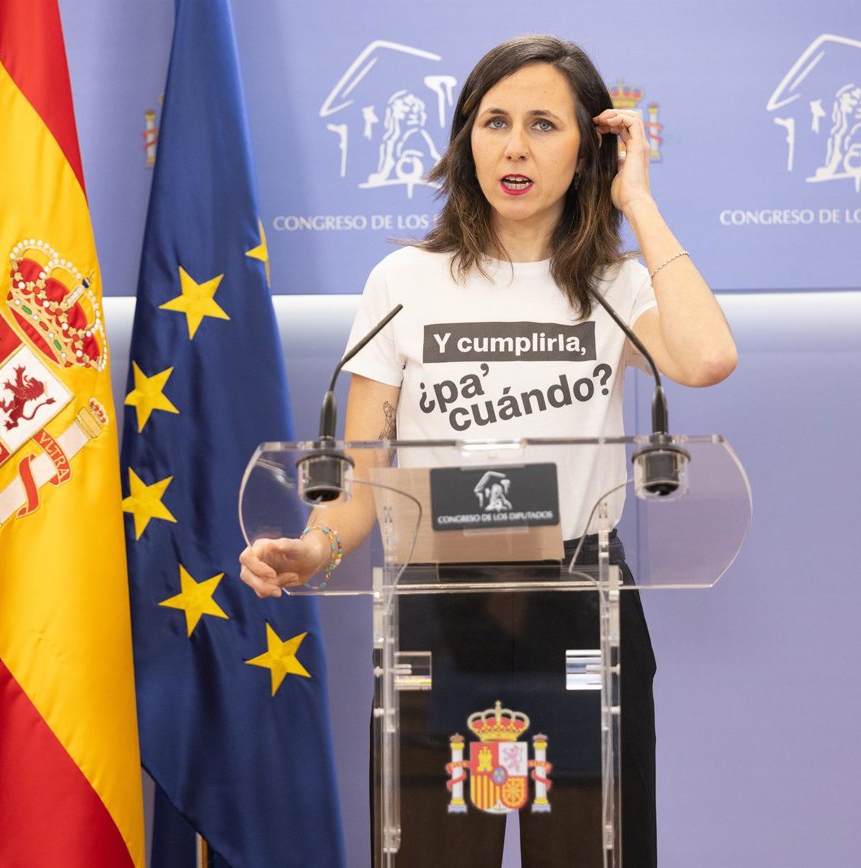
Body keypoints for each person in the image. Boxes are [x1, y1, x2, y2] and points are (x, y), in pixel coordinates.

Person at [240, 34, 737, 868]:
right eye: (495, 121)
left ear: (589, 148)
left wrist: (639, 202)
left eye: (544, 124)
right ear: (466, 138)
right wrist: (315, 547)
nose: (514, 146)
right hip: (438, 607)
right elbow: (363, 474)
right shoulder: (404, 282)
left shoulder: (617, 285)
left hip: (581, 601)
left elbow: (708, 359)